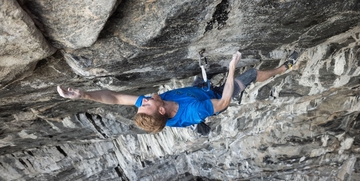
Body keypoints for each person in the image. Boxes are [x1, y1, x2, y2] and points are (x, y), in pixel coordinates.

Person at [57, 51, 298, 133]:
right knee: (251, 74)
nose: (144, 99)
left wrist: (84, 95)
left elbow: (116, 97)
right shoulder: (195, 111)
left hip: (195, 91)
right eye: (147, 103)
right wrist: (232, 68)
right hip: (212, 98)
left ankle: (209, 75)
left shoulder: (155, 111)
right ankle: (284, 67)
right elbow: (223, 100)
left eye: (142, 103)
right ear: (161, 109)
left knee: (201, 77)